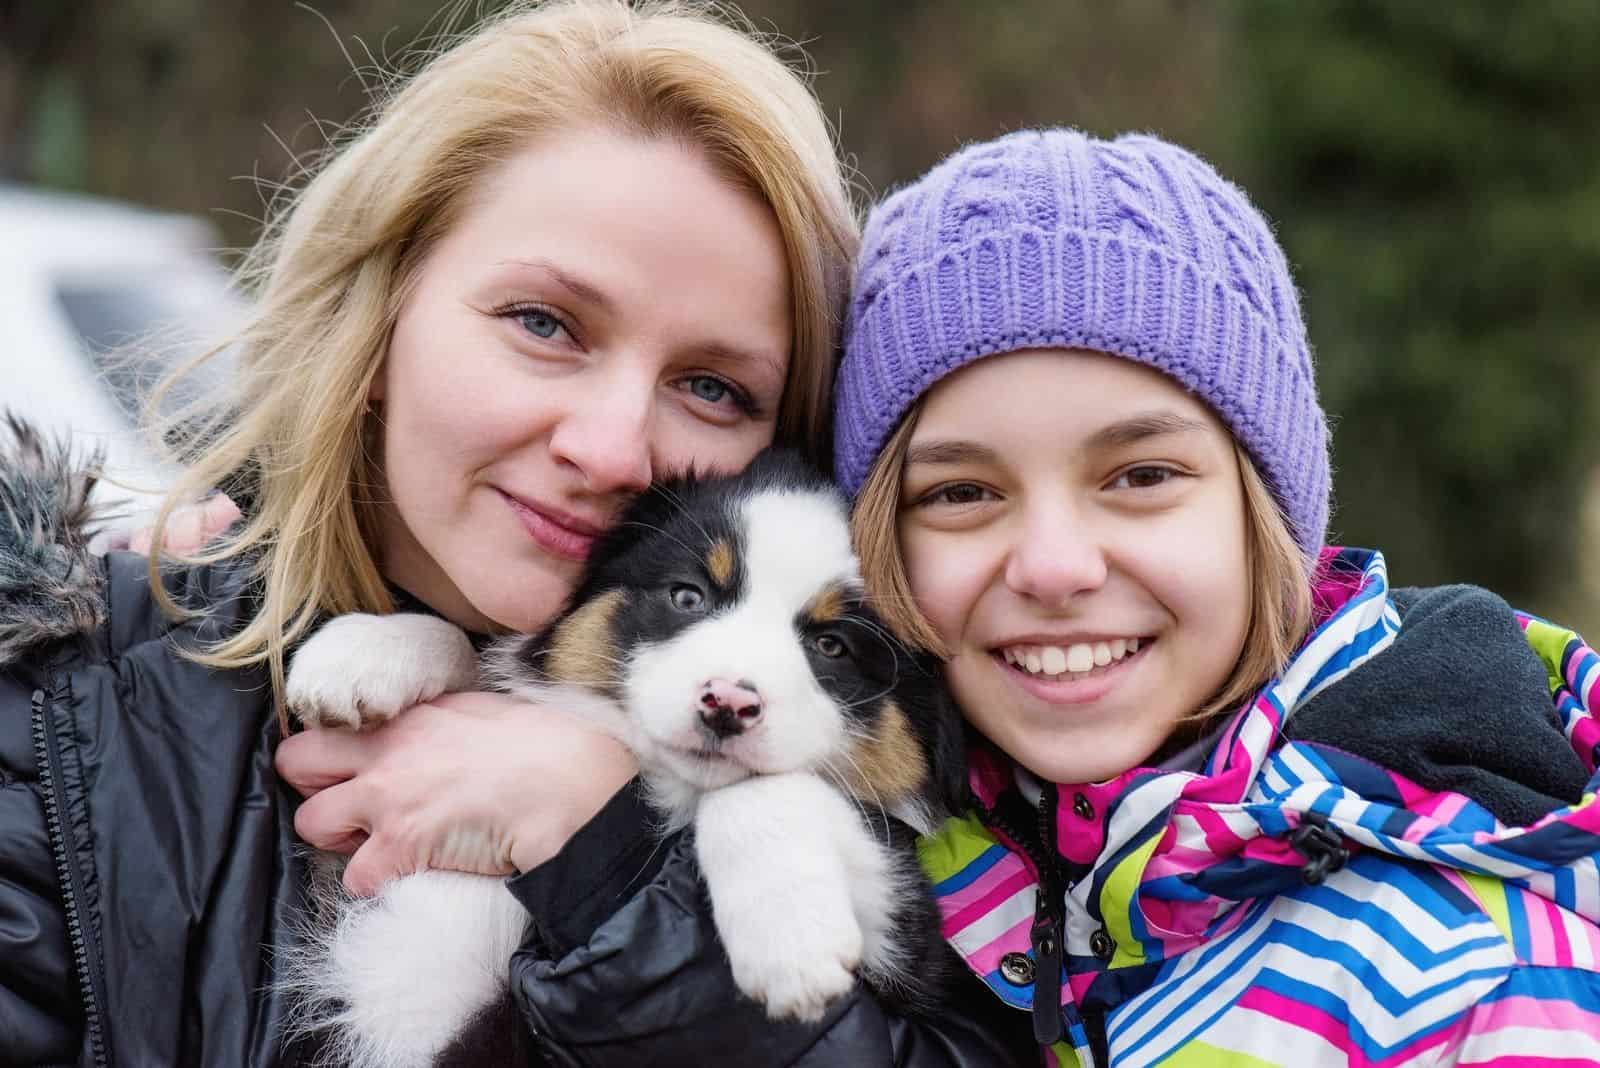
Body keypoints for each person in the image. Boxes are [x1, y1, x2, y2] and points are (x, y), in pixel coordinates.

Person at [0, 3, 1025, 1064]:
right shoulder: (56, 710)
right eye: (544, 324)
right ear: (380, 307)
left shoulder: (980, 825)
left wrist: (613, 855)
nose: (614, 449)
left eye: (713, 386)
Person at [832, 128, 1600, 1065]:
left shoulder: (1471, 984)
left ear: (1265, 511)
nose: (1054, 566)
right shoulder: (891, 873)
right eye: (961, 494)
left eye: (1142, 474)